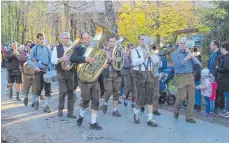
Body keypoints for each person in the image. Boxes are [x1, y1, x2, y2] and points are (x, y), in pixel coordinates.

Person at [70, 31, 102, 130]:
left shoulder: (95, 47)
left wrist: (103, 64)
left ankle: (93, 122)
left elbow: (100, 59)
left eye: (89, 37)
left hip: (94, 78)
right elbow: (72, 58)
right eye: (85, 38)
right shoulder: (78, 48)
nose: (87, 39)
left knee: (96, 101)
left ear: (91, 38)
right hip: (83, 78)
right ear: (82, 40)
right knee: (86, 100)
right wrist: (85, 59)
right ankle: (81, 115)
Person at [131, 34, 158, 127]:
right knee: (141, 96)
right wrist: (144, 57)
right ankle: (136, 113)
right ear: (138, 40)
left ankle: (150, 119)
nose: (144, 41)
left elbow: (157, 63)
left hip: (149, 74)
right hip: (139, 74)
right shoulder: (135, 51)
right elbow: (134, 62)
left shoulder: (150, 50)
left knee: (150, 96)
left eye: (145, 40)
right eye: (142, 39)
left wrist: (153, 54)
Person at [171, 37, 199, 123]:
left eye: (184, 43)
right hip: (180, 76)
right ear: (178, 44)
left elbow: (197, 63)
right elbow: (177, 65)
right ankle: (176, 110)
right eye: (181, 43)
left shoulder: (189, 52)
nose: (183, 45)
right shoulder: (175, 54)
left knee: (192, 97)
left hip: (190, 75)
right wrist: (186, 58)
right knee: (182, 97)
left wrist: (193, 56)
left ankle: (189, 117)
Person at [51, 32, 76, 118]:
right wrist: (62, 58)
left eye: (68, 38)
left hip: (71, 72)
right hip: (61, 72)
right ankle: (60, 109)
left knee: (71, 93)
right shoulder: (57, 48)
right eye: (65, 38)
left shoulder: (73, 48)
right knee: (63, 91)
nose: (67, 40)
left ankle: (70, 112)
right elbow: (53, 61)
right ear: (62, 39)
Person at [27, 33, 52, 113]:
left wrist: (50, 68)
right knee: (39, 87)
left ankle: (46, 105)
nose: (42, 40)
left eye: (43, 38)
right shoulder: (34, 48)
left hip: (47, 71)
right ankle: (37, 101)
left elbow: (51, 60)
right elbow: (29, 60)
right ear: (37, 39)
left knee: (48, 88)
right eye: (40, 39)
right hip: (38, 71)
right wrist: (35, 67)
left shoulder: (48, 48)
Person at [101, 36, 122, 117]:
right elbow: (101, 61)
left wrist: (122, 57)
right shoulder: (104, 51)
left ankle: (115, 110)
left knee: (117, 92)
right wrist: (110, 59)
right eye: (110, 41)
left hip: (117, 73)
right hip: (108, 73)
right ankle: (105, 103)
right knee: (108, 90)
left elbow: (121, 61)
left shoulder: (118, 51)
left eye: (113, 41)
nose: (112, 43)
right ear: (108, 42)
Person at [18, 40, 37, 106]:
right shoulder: (23, 52)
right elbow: (21, 58)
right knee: (26, 86)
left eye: (30, 45)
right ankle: (26, 97)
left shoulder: (35, 53)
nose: (29, 46)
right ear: (26, 46)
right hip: (26, 72)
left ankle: (33, 102)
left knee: (34, 87)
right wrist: (30, 57)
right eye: (28, 45)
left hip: (34, 72)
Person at [208, 40, 224, 114]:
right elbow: (211, 63)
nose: (210, 46)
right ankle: (213, 105)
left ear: (215, 46)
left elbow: (219, 66)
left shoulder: (220, 54)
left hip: (216, 76)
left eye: (211, 45)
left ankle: (218, 107)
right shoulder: (212, 53)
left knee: (217, 91)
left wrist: (214, 74)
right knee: (212, 91)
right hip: (211, 74)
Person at [216, 42, 229, 118]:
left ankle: (228, 111)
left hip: (226, 81)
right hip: (225, 80)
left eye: (221, 48)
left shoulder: (227, 57)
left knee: (227, 96)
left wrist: (218, 68)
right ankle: (227, 110)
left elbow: (227, 68)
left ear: (223, 49)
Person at [122, 44, 136, 108]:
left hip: (134, 73)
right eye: (130, 48)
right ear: (128, 49)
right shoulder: (125, 56)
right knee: (129, 87)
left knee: (134, 88)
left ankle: (133, 102)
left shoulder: (135, 56)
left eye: (133, 48)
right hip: (127, 73)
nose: (132, 50)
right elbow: (123, 66)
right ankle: (126, 98)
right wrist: (131, 64)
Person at [192, 46, 202, 111]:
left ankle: (199, 105)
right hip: (193, 76)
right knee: (195, 92)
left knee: (198, 92)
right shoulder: (193, 58)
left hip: (197, 77)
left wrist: (195, 79)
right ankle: (196, 104)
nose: (195, 52)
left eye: (196, 50)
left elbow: (198, 71)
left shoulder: (199, 59)